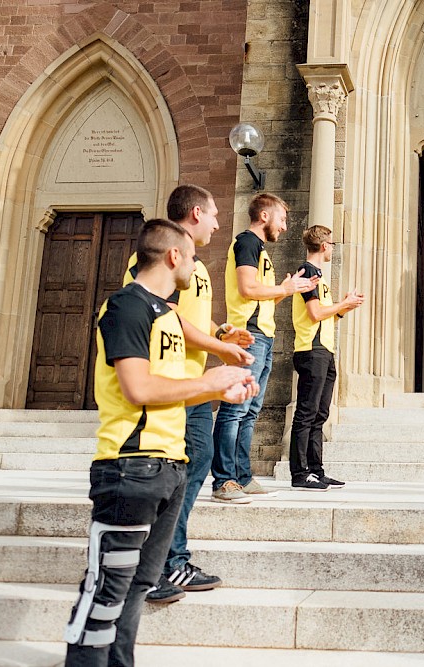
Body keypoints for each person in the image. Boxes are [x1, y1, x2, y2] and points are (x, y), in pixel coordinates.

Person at [63, 219, 256, 666]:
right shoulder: (125, 307)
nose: (194, 265)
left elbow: (170, 385)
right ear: (173, 256)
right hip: (129, 466)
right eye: (191, 257)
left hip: (170, 465)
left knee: (137, 587)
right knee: (106, 589)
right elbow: (139, 389)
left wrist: (217, 390)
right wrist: (208, 381)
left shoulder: (167, 314)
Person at [123, 186, 256, 604]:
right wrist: (220, 351)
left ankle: (168, 559)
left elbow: (187, 316)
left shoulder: (193, 265)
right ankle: (163, 563)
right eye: (214, 214)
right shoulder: (163, 258)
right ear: (196, 213)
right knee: (178, 469)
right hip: (171, 383)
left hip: (192, 378)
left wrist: (219, 332)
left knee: (194, 463)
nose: (218, 223)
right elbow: (163, 312)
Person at [211, 193, 318, 501]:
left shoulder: (260, 250)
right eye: (282, 219)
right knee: (235, 409)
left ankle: (243, 477)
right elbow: (247, 288)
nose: (284, 227)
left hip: (264, 335)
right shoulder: (247, 242)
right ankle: (223, 480)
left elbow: (260, 294)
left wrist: (289, 289)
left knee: (250, 410)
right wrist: (283, 288)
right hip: (249, 334)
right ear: (265, 217)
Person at [289, 225, 365, 490]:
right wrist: (342, 305)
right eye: (331, 243)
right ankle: (300, 474)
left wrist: (344, 306)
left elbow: (326, 314)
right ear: (323, 246)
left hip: (324, 350)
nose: (333, 248)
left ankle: (316, 470)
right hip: (311, 350)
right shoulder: (308, 271)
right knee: (307, 413)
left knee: (320, 414)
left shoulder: (319, 277)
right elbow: (314, 314)